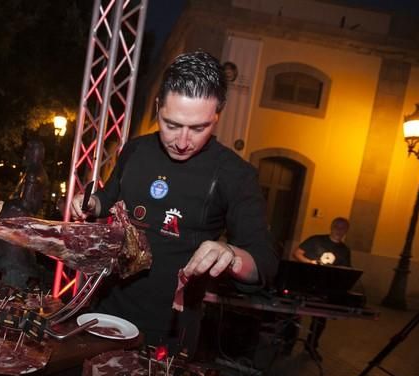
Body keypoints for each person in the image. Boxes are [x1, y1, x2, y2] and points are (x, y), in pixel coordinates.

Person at [70, 51, 278, 354]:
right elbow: (108, 197)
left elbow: (265, 263)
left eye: (198, 128)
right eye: (171, 124)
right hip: (104, 307)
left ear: (217, 116)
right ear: (158, 108)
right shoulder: (136, 149)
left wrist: (230, 254)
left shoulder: (236, 175)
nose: (182, 141)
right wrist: (90, 204)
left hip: (167, 329)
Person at [0, 140, 50, 289]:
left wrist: (6, 204)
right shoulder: (37, 170)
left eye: (28, 152)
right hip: (22, 214)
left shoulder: (33, 172)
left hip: (19, 214)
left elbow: (26, 203)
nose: (25, 155)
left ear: (34, 153)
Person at [291, 217, 352, 360]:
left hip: (325, 288)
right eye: (336, 225)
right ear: (331, 226)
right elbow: (297, 253)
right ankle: (288, 343)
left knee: (320, 318)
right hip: (305, 284)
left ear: (346, 231)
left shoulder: (344, 250)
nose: (339, 229)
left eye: (342, 227)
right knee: (295, 313)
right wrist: (310, 262)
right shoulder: (316, 240)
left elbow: (347, 269)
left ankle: (311, 346)